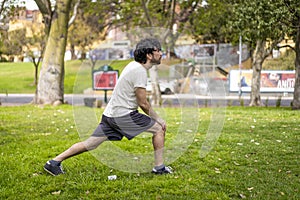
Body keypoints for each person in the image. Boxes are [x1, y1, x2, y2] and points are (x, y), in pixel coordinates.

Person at [44, 38, 172, 176]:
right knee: (159, 129)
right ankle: (159, 168)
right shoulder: (139, 71)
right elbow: (143, 103)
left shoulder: (132, 66)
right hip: (124, 116)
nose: (161, 53)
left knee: (91, 143)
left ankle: (54, 162)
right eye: (158, 50)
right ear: (149, 55)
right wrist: (159, 119)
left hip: (110, 115)